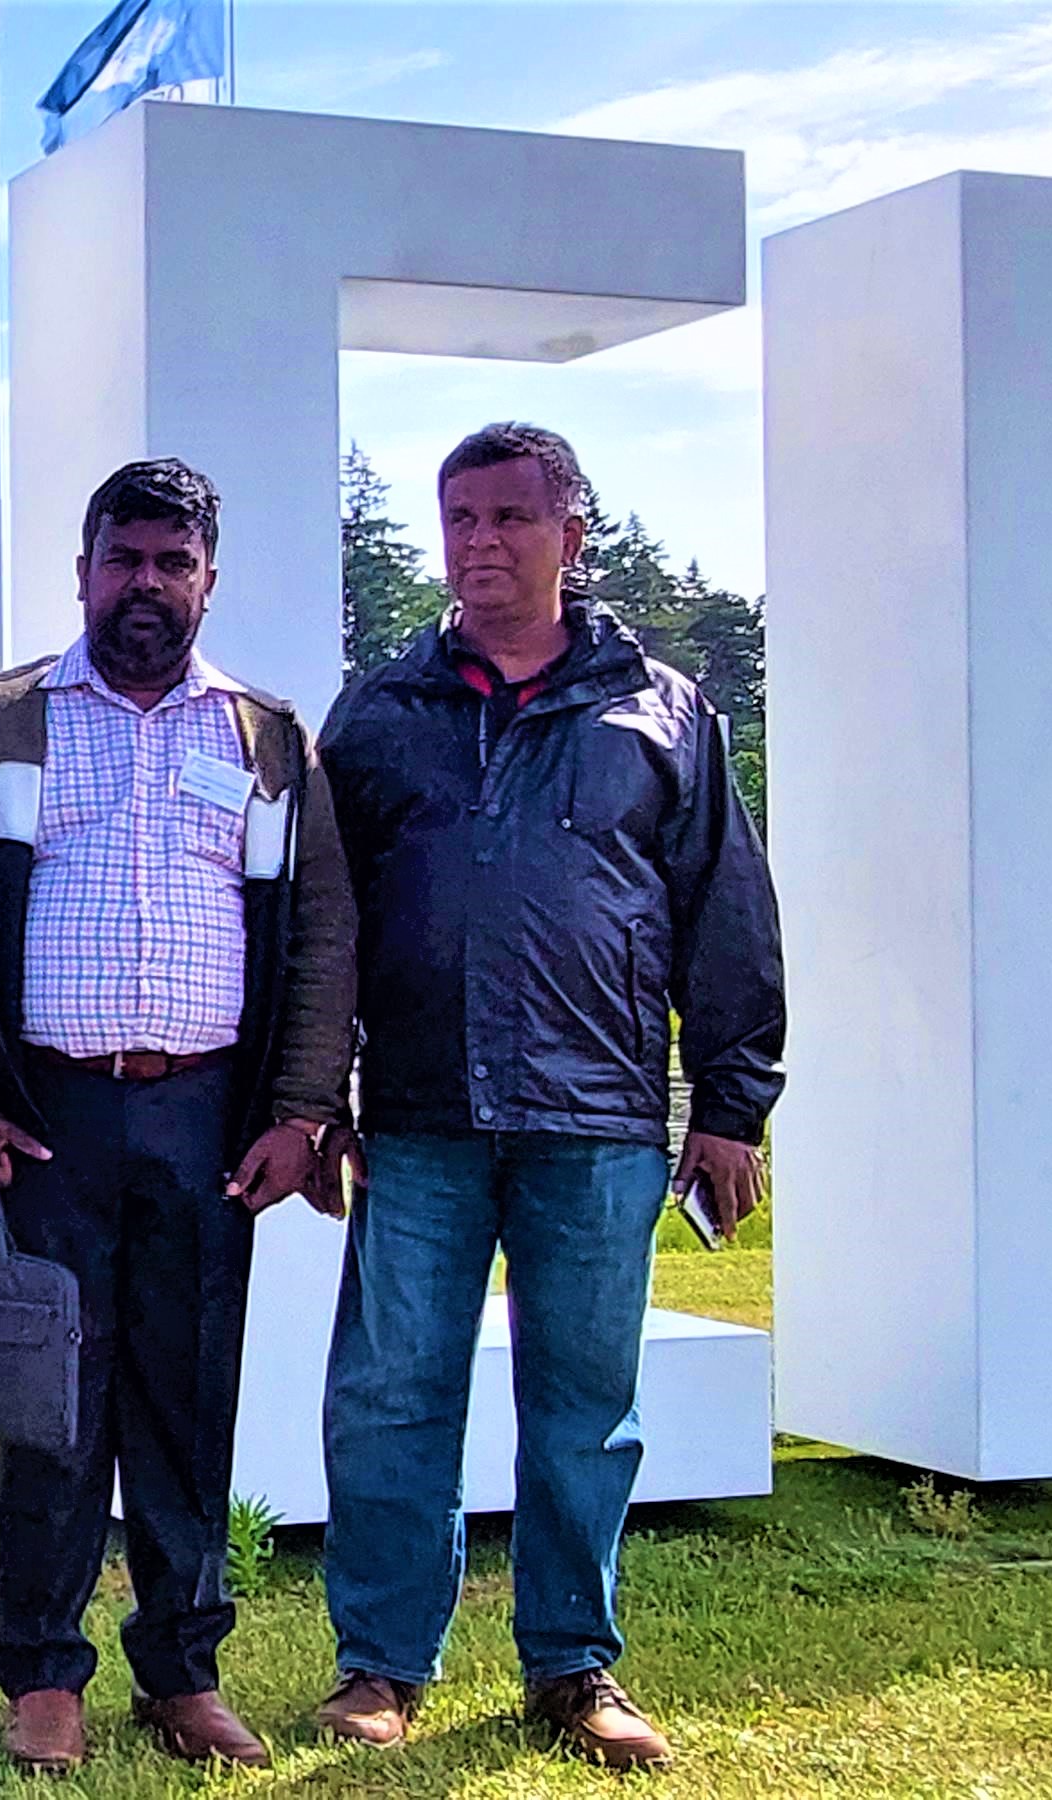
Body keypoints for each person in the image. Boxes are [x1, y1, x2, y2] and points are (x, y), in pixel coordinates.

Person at [308, 423, 783, 1770]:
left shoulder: (666, 711)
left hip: (600, 1119)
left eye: (513, 517)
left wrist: (734, 1107)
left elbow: (725, 917)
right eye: (459, 517)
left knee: (586, 1401)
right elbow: (325, 925)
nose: (482, 544)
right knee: (394, 1390)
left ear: (576, 531)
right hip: (417, 1112)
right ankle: (381, 1667)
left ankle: (574, 1666)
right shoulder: (383, 712)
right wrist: (316, 1091)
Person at [0, 459, 358, 1775]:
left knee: (185, 1392)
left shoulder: (267, 737)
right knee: (49, 1396)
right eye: (127, 559)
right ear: (84, 569)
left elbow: (322, 931)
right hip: (47, 1112)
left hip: (210, 1120)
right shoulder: (2, 718)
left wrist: (297, 1108)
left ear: (209, 578)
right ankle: (44, 1675)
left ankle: (181, 1669)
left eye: (175, 564)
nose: (148, 586)